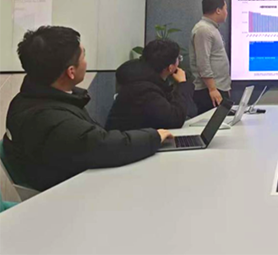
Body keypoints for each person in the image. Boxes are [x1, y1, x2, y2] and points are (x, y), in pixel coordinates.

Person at [2, 26, 173, 191]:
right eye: (83, 56)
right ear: (71, 71)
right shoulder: (52, 119)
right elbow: (103, 145)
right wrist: (154, 136)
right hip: (69, 196)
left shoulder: (31, 98)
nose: (86, 62)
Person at [105, 39, 195, 131]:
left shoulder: (145, 77)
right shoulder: (144, 89)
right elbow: (174, 119)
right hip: (127, 139)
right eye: (178, 58)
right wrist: (182, 84)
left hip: (136, 136)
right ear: (171, 68)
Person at [190, 0, 231, 115]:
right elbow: (203, 63)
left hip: (218, 88)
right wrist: (212, 89)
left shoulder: (211, 28)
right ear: (218, 10)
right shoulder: (204, 30)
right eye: (225, 9)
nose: (226, 12)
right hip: (209, 92)